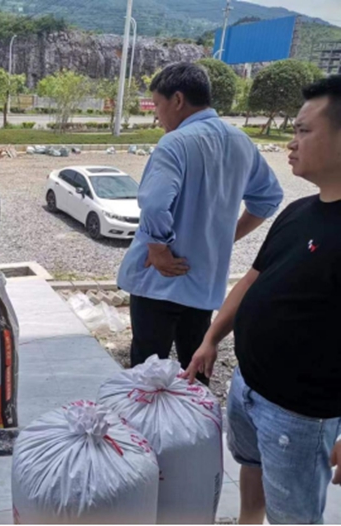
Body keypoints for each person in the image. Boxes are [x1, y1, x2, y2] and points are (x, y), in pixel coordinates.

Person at [184, 75, 341, 524]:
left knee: (294, 515)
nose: (291, 143)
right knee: (250, 475)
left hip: (300, 415)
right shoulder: (299, 211)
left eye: (304, 131)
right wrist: (211, 338)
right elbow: (252, 280)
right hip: (248, 386)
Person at [116, 62, 284, 384]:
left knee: (147, 374)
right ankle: (196, 418)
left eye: (158, 105)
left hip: (159, 282)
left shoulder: (175, 142)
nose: (157, 116)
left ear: (178, 100)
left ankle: (148, 420)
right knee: (196, 369)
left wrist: (158, 248)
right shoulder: (241, 142)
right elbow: (268, 198)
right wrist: (228, 236)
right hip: (204, 284)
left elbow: (154, 203)